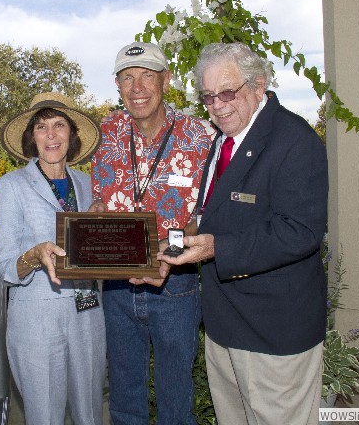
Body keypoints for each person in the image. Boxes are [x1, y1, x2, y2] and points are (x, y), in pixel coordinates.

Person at [156, 42, 328, 425]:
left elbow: (301, 231)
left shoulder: (294, 140)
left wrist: (218, 248)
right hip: (225, 324)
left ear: (259, 85)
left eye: (228, 92)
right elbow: (209, 215)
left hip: (274, 330)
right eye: (208, 96)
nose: (217, 105)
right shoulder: (224, 139)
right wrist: (170, 252)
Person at [90, 41, 215, 424]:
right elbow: (98, 200)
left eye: (147, 75)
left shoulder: (200, 136)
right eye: (128, 78)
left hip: (174, 285)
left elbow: (206, 213)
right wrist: (88, 230)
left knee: (176, 397)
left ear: (166, 79)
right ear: (117, 85)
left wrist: (170, 253)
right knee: (126, 397)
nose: (137, 87)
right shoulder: (105, 133)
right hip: (116, 286)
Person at [0, 91, 105, 425]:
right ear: (32, 137)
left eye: (59, 125)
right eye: (42, 127)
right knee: (45, 416)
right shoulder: (11, 186)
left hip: (88, 314)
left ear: (71, 134)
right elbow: (5, 268)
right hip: (36, 320)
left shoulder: (86, 186)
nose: (51, 135)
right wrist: (35, 254)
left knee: (90, 414)